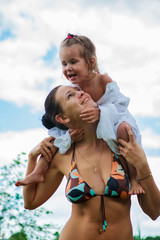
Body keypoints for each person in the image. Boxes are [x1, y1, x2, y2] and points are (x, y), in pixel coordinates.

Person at [23, 85, 160, 240]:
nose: (81, 93)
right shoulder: (63, 155)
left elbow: (154, 211)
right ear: (63, 118)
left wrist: (142, 164)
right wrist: (32, 158)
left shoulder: (122, 146)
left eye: (79, 90)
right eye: (70, 95)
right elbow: (30, 202)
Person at [16, 33, 143, 194]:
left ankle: (134, 178)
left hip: (115, 119)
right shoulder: (75, 88)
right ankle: (37, 172)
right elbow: (73, 115)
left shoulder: (103, 80)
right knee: (55, 139)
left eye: (73, 62)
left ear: (91, 62)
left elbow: (120, 106)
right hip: (89, 124)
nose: (67, 68)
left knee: (124, 130)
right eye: (64, 64)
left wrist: (101, 112)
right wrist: (69, 134)